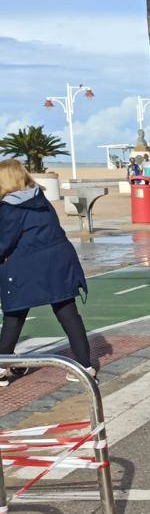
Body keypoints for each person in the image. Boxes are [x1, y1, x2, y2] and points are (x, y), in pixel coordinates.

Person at [0, 159, 93, 386]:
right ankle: (85, 365)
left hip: (25, 269)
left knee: (14, 315)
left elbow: (4, 243)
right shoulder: (38, 199)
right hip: (58, 263)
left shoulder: (10, 208)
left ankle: (2, 366)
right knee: (68, 313)